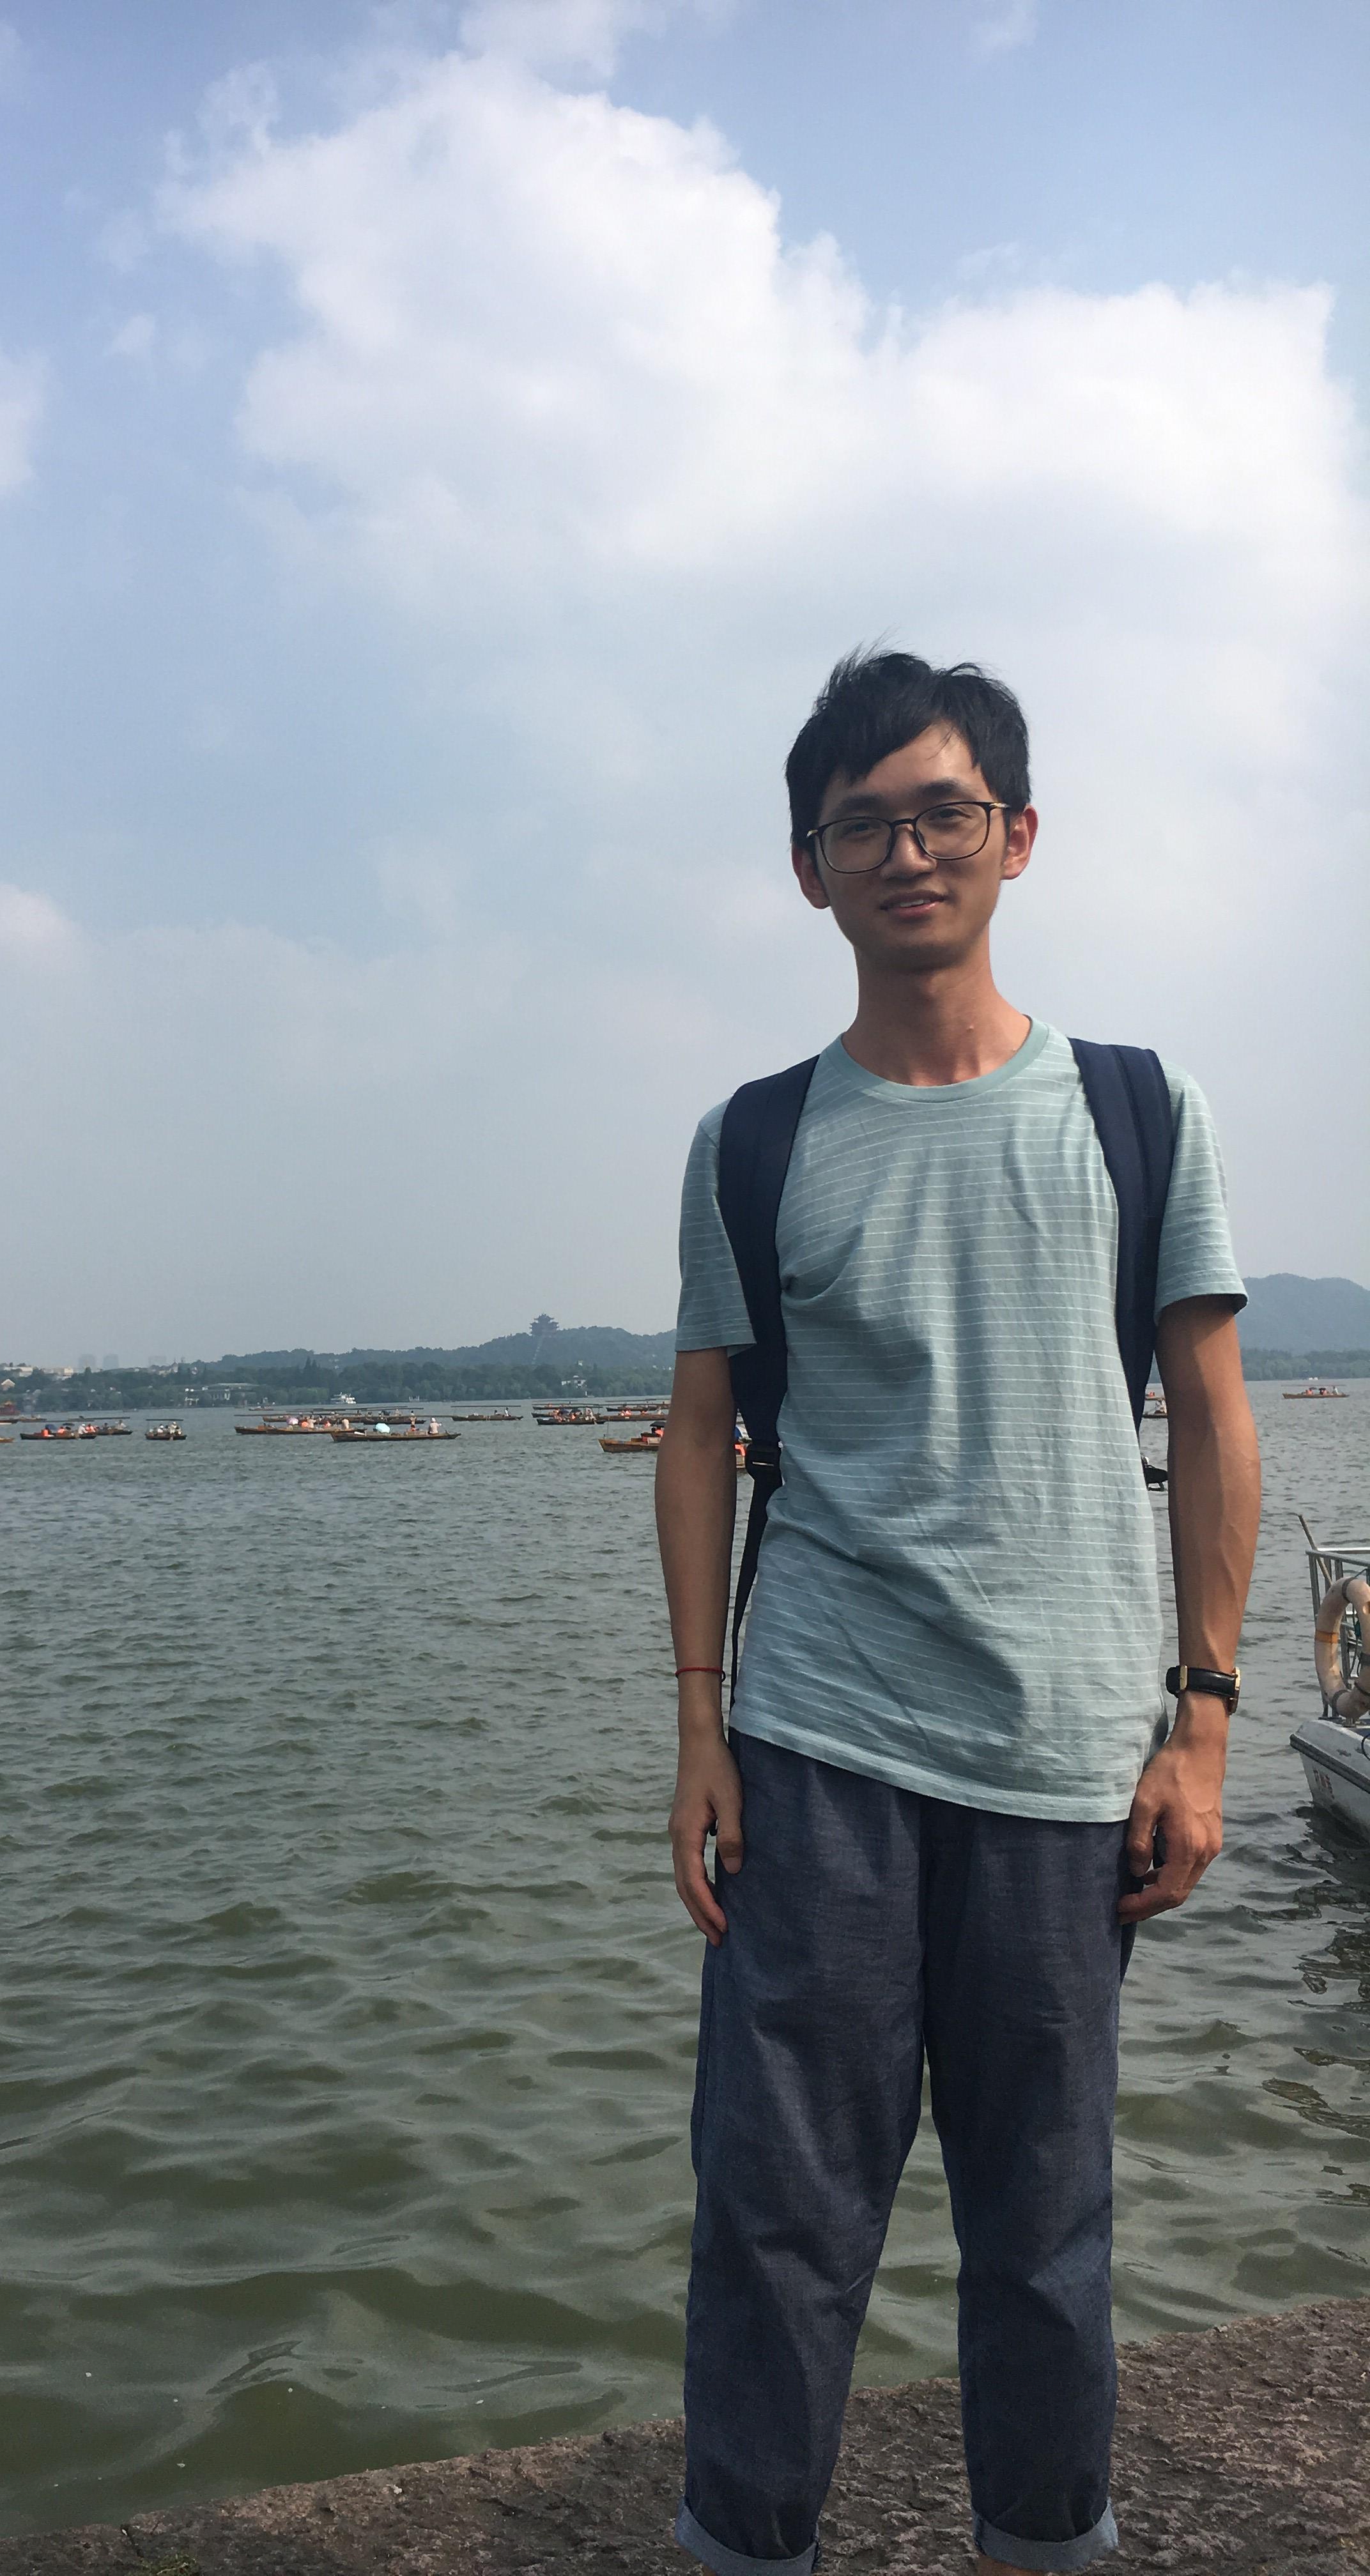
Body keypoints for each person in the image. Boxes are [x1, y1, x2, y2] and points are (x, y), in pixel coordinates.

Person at [654, 650, 1260, 2575]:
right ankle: (748, 2545)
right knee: (774, 2218)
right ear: (808, 869)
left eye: (943, 814)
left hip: (1068, 1756)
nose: (906, 852)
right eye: (863, 826)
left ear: (1017, 837)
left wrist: (1204, 1722)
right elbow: (698, 1434)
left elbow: (1213, 1416)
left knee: (1048, 2230)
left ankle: (1050, 2544)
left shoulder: (1135, 1111)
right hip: (814, 1745)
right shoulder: (756, 1140)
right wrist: (698, 1730)